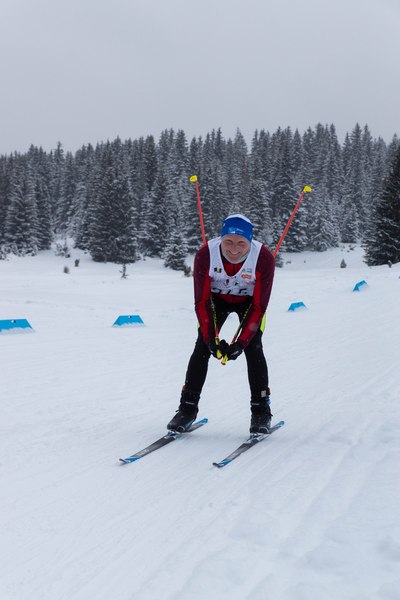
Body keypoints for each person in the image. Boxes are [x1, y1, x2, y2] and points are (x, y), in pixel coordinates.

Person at [167, 213, 276, 434]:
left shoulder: (263, 258)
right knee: (202, 347)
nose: (234, 249)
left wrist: (240, 343)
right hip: (215, 301)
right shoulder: (206, 254)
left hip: (250, 304)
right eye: (228, 241)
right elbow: (201, 302)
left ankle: (261, 411)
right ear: (221, 239)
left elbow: (259, 307)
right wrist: (211, 340)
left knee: (253, 348)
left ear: (250, 241)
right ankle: (187, 409)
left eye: (241, 243)